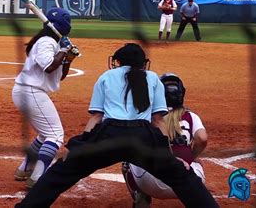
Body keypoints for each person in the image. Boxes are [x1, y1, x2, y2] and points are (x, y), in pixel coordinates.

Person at [15, 43, 218, 208]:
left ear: (118, 61)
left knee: (61, 173)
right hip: (142, 137)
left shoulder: (105, 77)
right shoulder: (153, 78)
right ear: (143, 63)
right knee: (183, 178)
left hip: (109, 135)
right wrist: (168, 156)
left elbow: (96, 118)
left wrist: (79, 147)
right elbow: (158, 121)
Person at [12, 7, 78, 189]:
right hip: (31, 92)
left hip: (29, 91)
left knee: (46, 134)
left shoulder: (52, 43)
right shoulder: (46, 42)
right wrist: (64, 50)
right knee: (56, 135)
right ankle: (37, 178)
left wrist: (68, 58)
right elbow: (49, 67)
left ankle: (25, 169)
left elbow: (58, 76)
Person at [122, 73, 208, 207]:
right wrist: (191, 156)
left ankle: (141, 201)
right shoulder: (191, 116)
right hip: (187, 181)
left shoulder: (147, 116)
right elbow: (202, 139)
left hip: (154, 183)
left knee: (128, 159)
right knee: (196, 166)